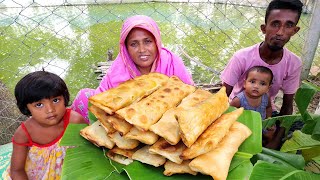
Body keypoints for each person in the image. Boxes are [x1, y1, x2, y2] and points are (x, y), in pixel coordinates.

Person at [72, 15, 194, 122]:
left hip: (165, 121)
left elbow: (190, 95)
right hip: (126, 122)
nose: (142, 50)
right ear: (125, 48)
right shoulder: (119, 68)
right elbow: (103, 99)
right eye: (134, 44)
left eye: (147, 41)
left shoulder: (171, 61)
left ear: (156, 42)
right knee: (83, 97)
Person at [220, 0, 303, 149]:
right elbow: (222, 97)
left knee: (295, 130)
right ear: (264, 28)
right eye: (275, 24)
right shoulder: (242, 57)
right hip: (238, 111)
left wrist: (275, 141)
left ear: (295, 31)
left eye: (288, 25)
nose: (280, 32)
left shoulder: (294, 63)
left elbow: (287, 107)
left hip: (264, 113)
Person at [3, 71, 88, 179]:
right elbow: (17, 170)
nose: (50, 110)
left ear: (64, 98)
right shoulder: (24, 133)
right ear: (26, 108)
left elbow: (90, 149)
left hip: (69, 173)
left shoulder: (75, 120)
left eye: (56, 100)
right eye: (39, 105)